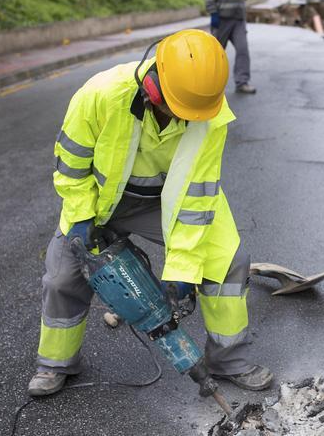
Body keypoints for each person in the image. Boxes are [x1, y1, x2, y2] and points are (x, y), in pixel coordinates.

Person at [27, 29, 273, 397]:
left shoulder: (209, 111)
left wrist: (182, 271)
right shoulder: (100, 95)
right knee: (63, 276)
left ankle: (228, 359)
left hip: (169, 200)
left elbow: (196, 195)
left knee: (226, 261)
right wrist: (81, 219)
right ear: (154, 86)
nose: (186, 119)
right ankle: (55, 363)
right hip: (101, 201)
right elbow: (71, 167)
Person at [204, 0, 257, 94]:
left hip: (238, 20)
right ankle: (207, 84)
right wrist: (213, 14)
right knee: (216, 54)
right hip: (221, 20)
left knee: (243, 51)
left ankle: (242, 82)